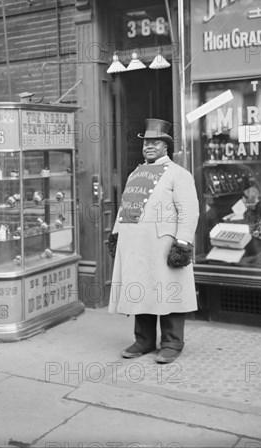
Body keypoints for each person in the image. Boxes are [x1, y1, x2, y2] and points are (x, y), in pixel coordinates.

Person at [107, 118, 199, 364]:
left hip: (162, 246)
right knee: (141, 292)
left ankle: (172, 343)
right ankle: (144, 340)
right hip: (136, 247)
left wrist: (182, 244)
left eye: (155, 142)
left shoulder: (179, 175)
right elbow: (126, 205)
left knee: (168, 293)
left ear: (165, 146)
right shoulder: (136, 173)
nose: (149, 146)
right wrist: (116, 234)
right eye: (146, 142)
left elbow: (189, 211)